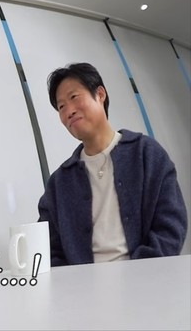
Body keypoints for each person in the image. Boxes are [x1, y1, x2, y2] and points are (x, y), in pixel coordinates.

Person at [38, 62, 187, 266]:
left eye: (74, 97)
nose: (69, 111)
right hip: (81, 285)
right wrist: (71, 281)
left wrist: (139, 273)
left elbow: (171, 226)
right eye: (61, 106)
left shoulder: (146, 153)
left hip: (145, 279)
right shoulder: (59, 182)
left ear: (100, 94)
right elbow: (47, 247)